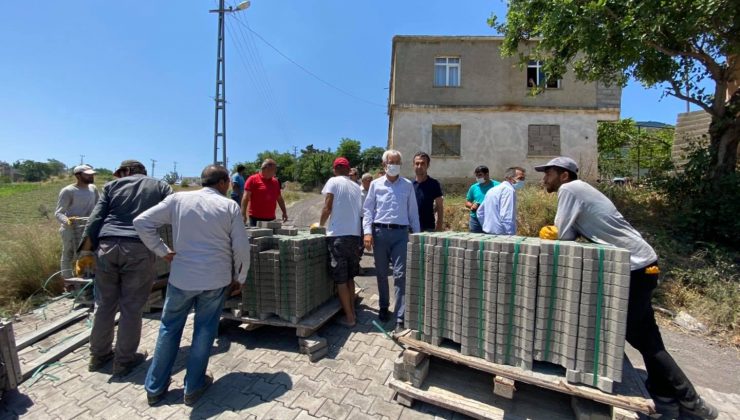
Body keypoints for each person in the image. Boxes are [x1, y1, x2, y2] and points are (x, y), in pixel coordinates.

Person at [536, 156, 718, 420]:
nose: (544, 178)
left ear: (564, 175)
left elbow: (564, 235)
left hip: (635, 266)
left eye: (548, 173)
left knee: (636, 333)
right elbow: (574, 232)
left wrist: (552, 232)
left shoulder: (569, 189)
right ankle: (663, 393)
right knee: (647, 335)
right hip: (643, 264)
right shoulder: (581, 190)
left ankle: (693, 403)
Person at [133, 165, 250, 407]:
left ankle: (155, 388)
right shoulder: (229, 206)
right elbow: (241, 246)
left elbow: (141, 222)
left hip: (181, 279)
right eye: (228, 182)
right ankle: (193, 387)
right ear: (223, 182)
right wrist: (241, 277)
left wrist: (162, 251)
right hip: (215, 281)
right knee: (205, 331)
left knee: (169, 329)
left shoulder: (178, 200)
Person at [79, 159, 173, 377]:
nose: (119, 177)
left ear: (128, 171)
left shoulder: (111, 187)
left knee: (104, 305)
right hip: (138, 248)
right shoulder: (160, 186)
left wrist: (85, 251)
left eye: (121, 173)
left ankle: (98, 355)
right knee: (131, 307)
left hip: (106, 247)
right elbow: (174, 211)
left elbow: (96, 218)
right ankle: (124, 361)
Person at [362, 149, 420, 331]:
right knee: (381, 274)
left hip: (401, 235)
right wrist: (367, 232)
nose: (393, 166)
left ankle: (400, 317)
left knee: (400, 276)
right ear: (384, 165)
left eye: (397, 162)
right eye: (390, 162)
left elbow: (413, 213)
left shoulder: (407, 185)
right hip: (380, 233)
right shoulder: (376, 185)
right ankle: (383, 306)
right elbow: (368, 210)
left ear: (400, 165)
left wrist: (417, 236)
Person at [319, 157, 362, 328]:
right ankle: (352, 311)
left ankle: (349, 318)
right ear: (348, 169)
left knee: (341, 280)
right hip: (354, 236)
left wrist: (319, 225)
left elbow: (327, 207)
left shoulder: (333, 181)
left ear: (335, 168)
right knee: (350, 276)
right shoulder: (356, 186)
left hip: (338, 237)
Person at [55, 164, 99, 279]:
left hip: (88, 227)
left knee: (89, 254)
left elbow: (99, 207)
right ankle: (68, 280)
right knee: (69, 253)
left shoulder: (93, 189)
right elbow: (58, 212)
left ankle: (86, 278)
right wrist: (67, 221)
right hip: (71, 227)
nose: (91, 176)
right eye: (88, 174)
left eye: (92, 174)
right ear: (78, 176)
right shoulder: (68, 191)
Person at [477, 167, 525, 235]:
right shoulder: (509, 190)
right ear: (510, 178)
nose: (523, 181)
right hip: (501, 236)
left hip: (488, 233)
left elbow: (480, 212)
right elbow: (507, 217)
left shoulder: (492, 190)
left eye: (523, 178)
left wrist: (487, 227)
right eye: (520, 178)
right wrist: (510, 237)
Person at [241, 159, 288, 226]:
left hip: (271, 218)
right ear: (266, 169)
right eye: (274, 169)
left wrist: (284, 212)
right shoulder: (252, 179)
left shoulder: (275, 182)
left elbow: (279, 198)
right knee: (256, 236)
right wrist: (243, 214)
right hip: (255, 218)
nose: (275, 171)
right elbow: (245, 198)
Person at [412, 152, 444, 232]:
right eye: (417, 163)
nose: (419, 166)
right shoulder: (409, 185)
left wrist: (439, 227)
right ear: (413, 165)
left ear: (428, 165)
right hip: (411, 228)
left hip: (428, 228)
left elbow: (440, 206)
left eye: (423, 163)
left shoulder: (434, 184)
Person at [465, 165, 499, 233]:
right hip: (475, 220)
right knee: (474, 240)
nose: (478, 177)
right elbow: (467, 202)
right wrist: (472, 206)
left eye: (480, 175)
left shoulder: (497, 186)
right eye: (476, 175)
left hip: (491, 219)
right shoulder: (474, 187)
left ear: (487, 174)